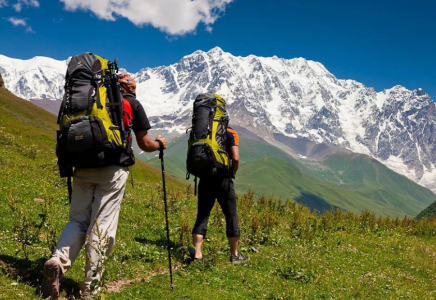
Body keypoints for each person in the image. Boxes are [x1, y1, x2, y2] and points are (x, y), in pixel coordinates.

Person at [42, 73, 167, 299]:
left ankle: (57, 261)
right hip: (112, 170)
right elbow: (144, 143)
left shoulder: (89, 102)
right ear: (131, 88)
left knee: (78, 220)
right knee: (101, 227)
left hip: (82, 168)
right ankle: (90, 288)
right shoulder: (131, 103)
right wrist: (159, 144)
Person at [191, 123, 249, 264]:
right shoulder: (230, 132)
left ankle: (197, 254)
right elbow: (235, 158)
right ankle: (234, 255)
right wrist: (232, 172)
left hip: (205, 178)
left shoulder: (202, 131)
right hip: (224, 179)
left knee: (202, 215)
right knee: (231, 215)